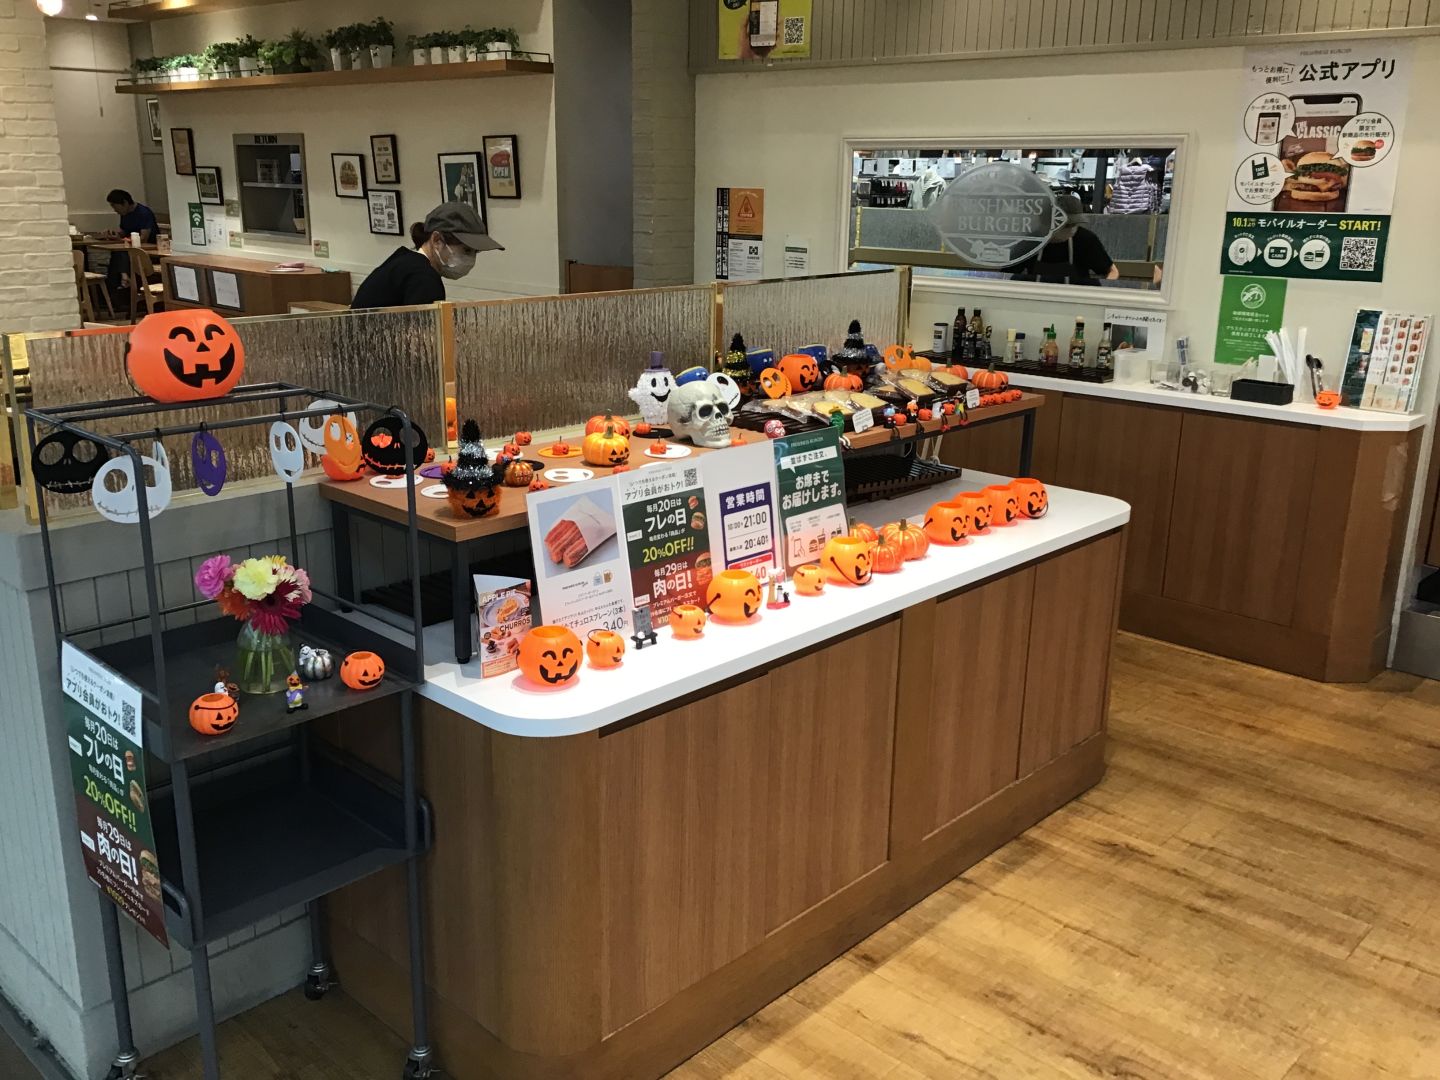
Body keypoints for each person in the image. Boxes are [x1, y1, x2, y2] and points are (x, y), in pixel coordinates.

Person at [351, 202, 502, 309]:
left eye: (475, 252)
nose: (471, 259)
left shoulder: (405, 261)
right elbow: (421, 339)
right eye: (466, 250)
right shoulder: (423, 279)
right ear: (437, 240)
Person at [1011, 194, 1120, 286]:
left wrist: (1099, 295)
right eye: (1064, 225)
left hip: (1076, 300)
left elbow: (1113, 272)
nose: (1070, 228)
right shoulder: (1031, 240)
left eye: (1073, 225)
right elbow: (1008, 273)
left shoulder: (1086, 240)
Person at [102, 189, 159, 295]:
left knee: (121, 253)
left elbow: (143, 238)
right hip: (129, 248)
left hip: (146, 250)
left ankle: (123, 282)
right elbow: (123, 232)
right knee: (117, 253)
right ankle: (118, 286)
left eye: (115, 206)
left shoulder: (143, 213)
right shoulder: (124, 214)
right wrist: (113, 235)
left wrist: (121, 240)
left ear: (125, 203)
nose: (115, 210)